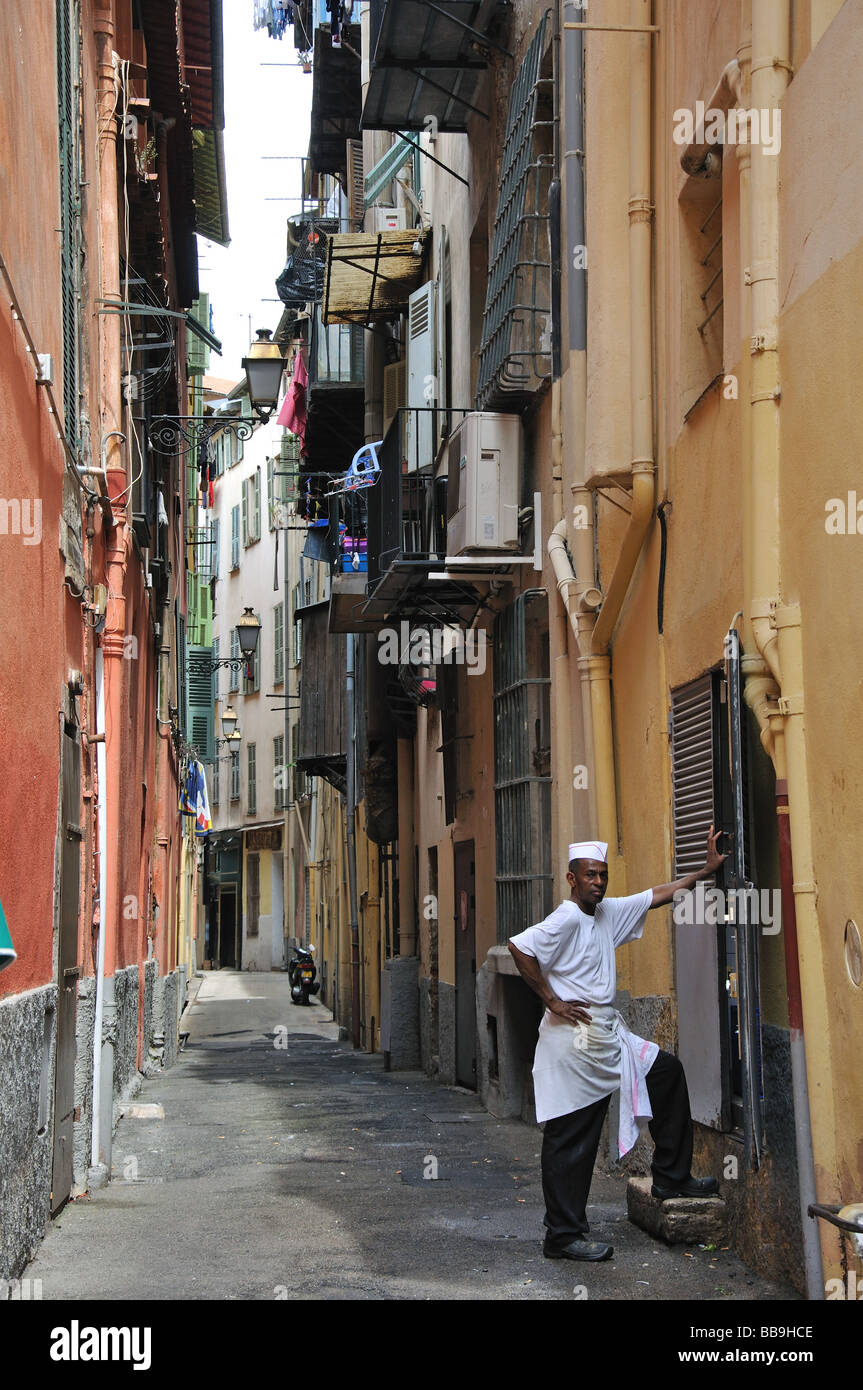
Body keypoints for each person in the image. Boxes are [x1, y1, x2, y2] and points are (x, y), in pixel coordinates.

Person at [507, 826, 727, 1263]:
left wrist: (704, 870)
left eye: (602, 875)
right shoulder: (568, 916)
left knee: (666, 1072)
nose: (598, 883)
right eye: (589, 875)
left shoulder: (606, 913)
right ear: (572, 879)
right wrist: (552, 1000)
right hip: (574, 1043)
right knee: (572, 1138)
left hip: (608, 1036)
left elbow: (657, 895)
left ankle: (670, 1177)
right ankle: (563, 1236)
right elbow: (520, 947)